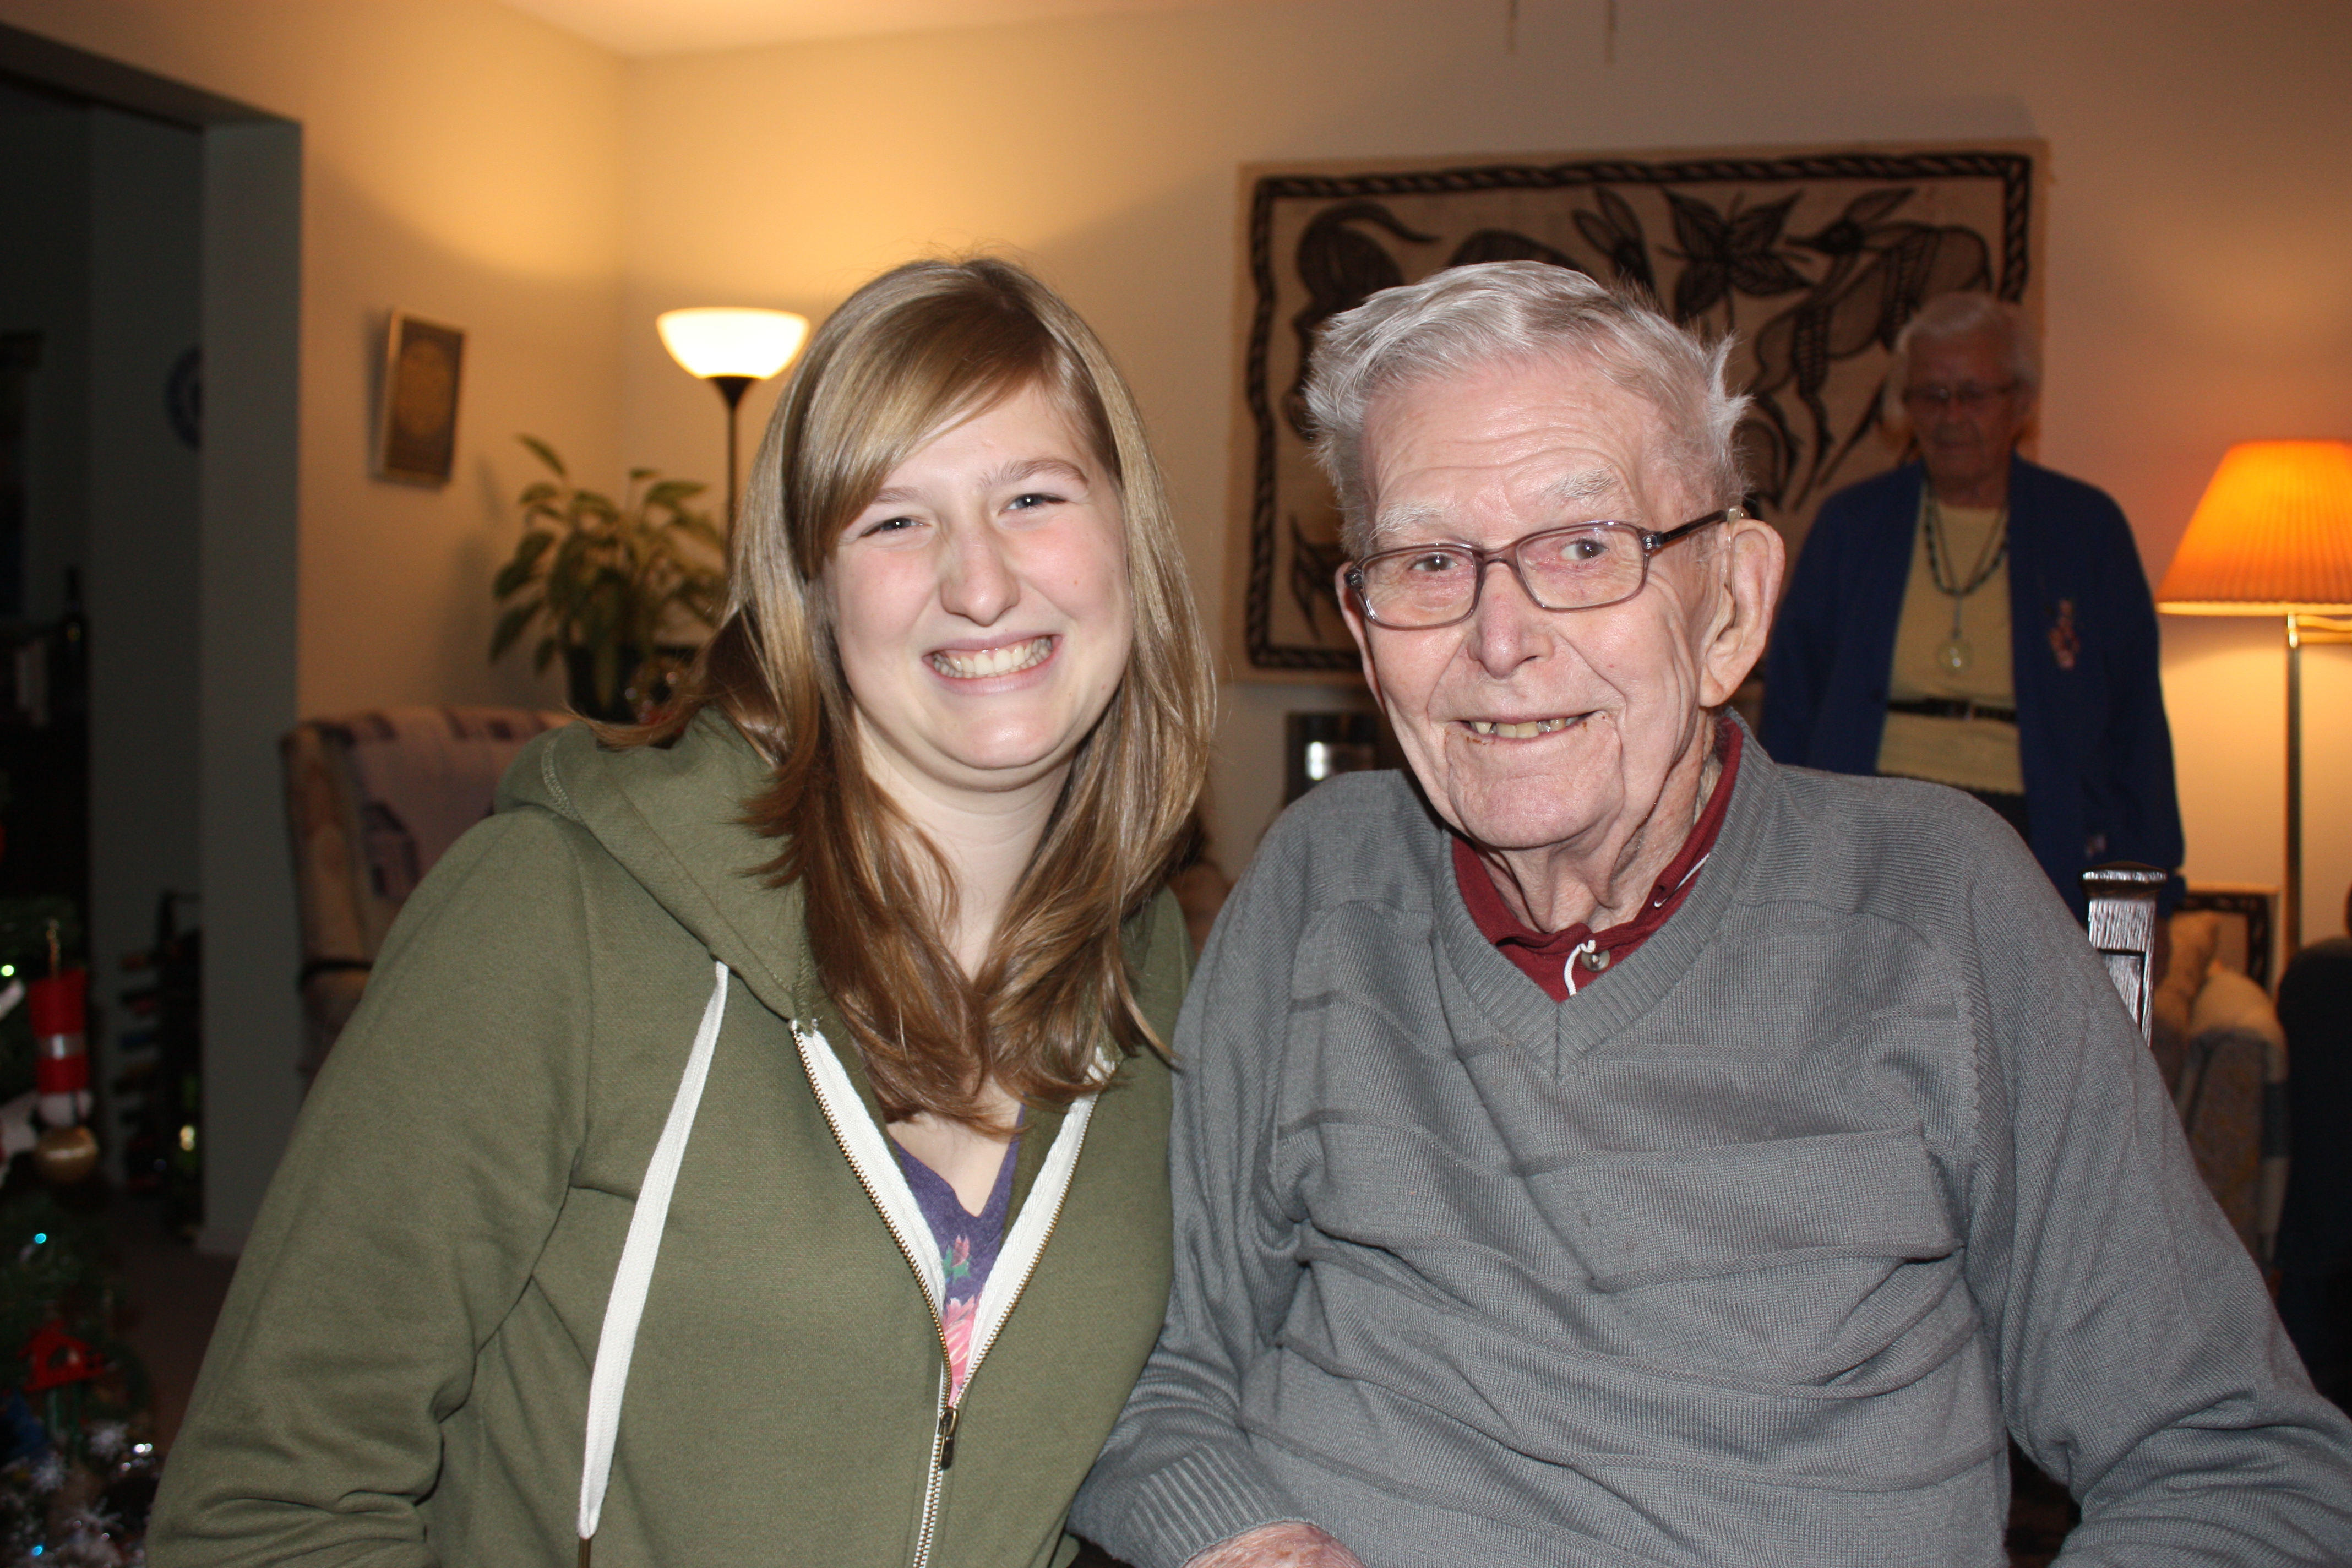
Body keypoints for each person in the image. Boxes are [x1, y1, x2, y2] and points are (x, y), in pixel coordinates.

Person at [1068, 262, 2352, 1567]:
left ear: (1730, 603)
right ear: (1362, 621)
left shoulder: (1938, 907)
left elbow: (2243, 1464)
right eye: (1430, 559)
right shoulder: (1316, 884)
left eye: (1584, 545)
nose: (1499, 637)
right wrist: (1250, 1544)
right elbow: (1147, 1366)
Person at [149, 257, 1215, 1566]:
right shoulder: (554, 917)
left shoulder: (1155, 973)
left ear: (1128, 537)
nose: (980, 583)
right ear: (810, 590)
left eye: (1033, 497)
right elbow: (263, 1506)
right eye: (893, 519)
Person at [1759, 291, 2184, 919]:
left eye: (1974, 394)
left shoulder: (2086, 528)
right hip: (1874, 822)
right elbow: (1792, 704)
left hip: (2033, 833)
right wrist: (1780, 849)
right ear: (1906, 407)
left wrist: (2154, 890)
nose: (1951, 416)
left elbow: (2135, 721)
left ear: (2021, 403)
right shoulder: (1852, 525)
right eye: (1932, 395)